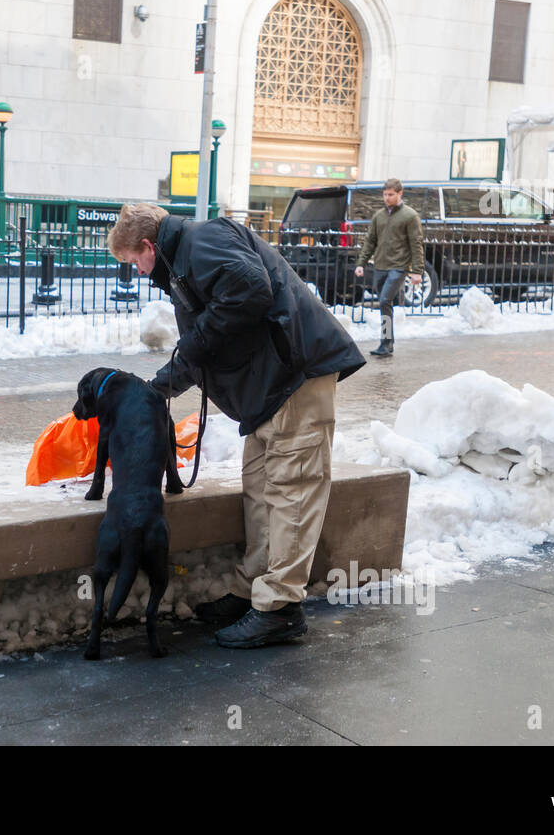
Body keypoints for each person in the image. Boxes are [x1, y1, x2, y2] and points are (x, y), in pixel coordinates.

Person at [107, 203, 365, 648]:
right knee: (261, 489)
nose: (136, 271)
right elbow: (205, 340)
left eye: (133, 261)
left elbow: (249, 292)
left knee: (291, 492)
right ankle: (254, 592)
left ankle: (280, 608)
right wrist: (157, 390)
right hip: (268, 390)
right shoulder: (186, 258)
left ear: (148, 246)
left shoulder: (200, 243)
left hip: (294, 378)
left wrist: (187, 355)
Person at [353, 178, 425, 357]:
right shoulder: (379, 216)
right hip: (380, 266)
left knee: (385, 301)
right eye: (385, 194)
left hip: (399, 267)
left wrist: (417, 271)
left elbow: (416, 244)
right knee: (385, 304)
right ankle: (388, 341)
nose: (387, 198)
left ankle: (385, 343)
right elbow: (370, 241)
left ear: (400, 194)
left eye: (391, 194)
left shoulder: (410, 216)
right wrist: (361, 263)